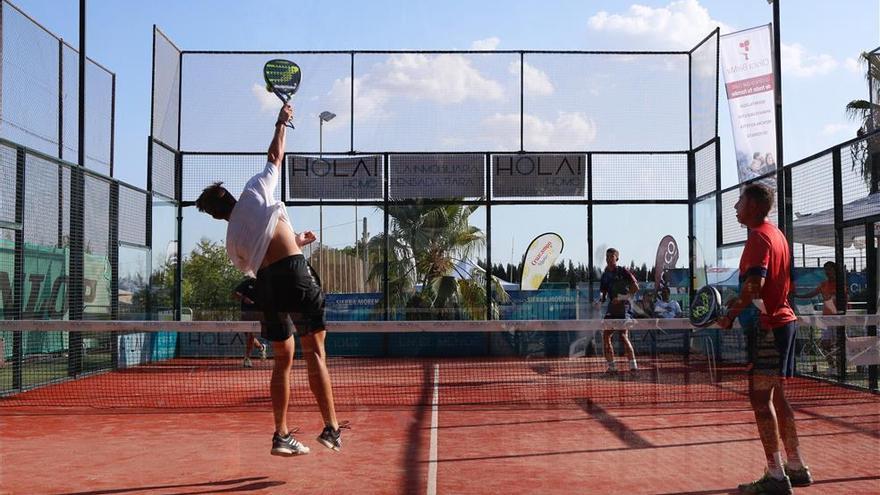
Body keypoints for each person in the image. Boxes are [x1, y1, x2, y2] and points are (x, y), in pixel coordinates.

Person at [196, 103, 346, 456]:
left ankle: (280, 434)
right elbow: (275, 154)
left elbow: (263, 257)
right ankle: (331, 429)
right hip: (294, 274)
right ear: (231, 196)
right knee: (316, 353)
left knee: (283, 359)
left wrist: (296, 242)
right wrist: (282, 121)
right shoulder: (253, 191)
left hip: (267, 286)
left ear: (218, 217)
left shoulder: (231, 240)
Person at [717, 183, 811, 494]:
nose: (735, 207)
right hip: (784, 323)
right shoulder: (778, 235)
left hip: (768, 329)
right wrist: (738, 303)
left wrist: (730, 315)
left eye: (740, 201)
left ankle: (775, 475)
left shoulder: (757, 238)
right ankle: (795, 466)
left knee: (761, 401)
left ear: (754, 206)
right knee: (779, 397)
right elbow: (762, 288)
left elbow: (755, 287)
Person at [792, 261, 848, 374]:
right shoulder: (823, 284)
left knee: (839, 344)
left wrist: (837, 303)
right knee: (824, 345)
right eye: (826, 270)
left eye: (830, 269)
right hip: (826, 319)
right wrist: (797, 295)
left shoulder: (841, 285)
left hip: (838, 319)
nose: (828, 272)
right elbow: (811, 294)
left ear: (835, 270)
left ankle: (841, 367)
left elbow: (844, 300)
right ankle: (832, 366)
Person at [598, 248, 639, 373]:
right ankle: (611, 367)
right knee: (606, 336)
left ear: (617, 258)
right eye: (607, 256)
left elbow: (635, 287)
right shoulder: (604, 276)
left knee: (622, 335)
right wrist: (599, 301)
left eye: (611, 256)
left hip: (624, 308)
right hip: (612, 309)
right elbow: (603, 295)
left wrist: (621, 298)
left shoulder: (623, 271)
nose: (609, 259)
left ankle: (633, 366)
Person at [232, 277, 267, 368]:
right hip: (245, 314)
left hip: (258, 314)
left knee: (251, 335)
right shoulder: (247, 283)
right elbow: (235, 293)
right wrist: (244, 298)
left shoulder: (266, 284)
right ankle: (261, 347)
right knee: (248, 335)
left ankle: (247, 358)